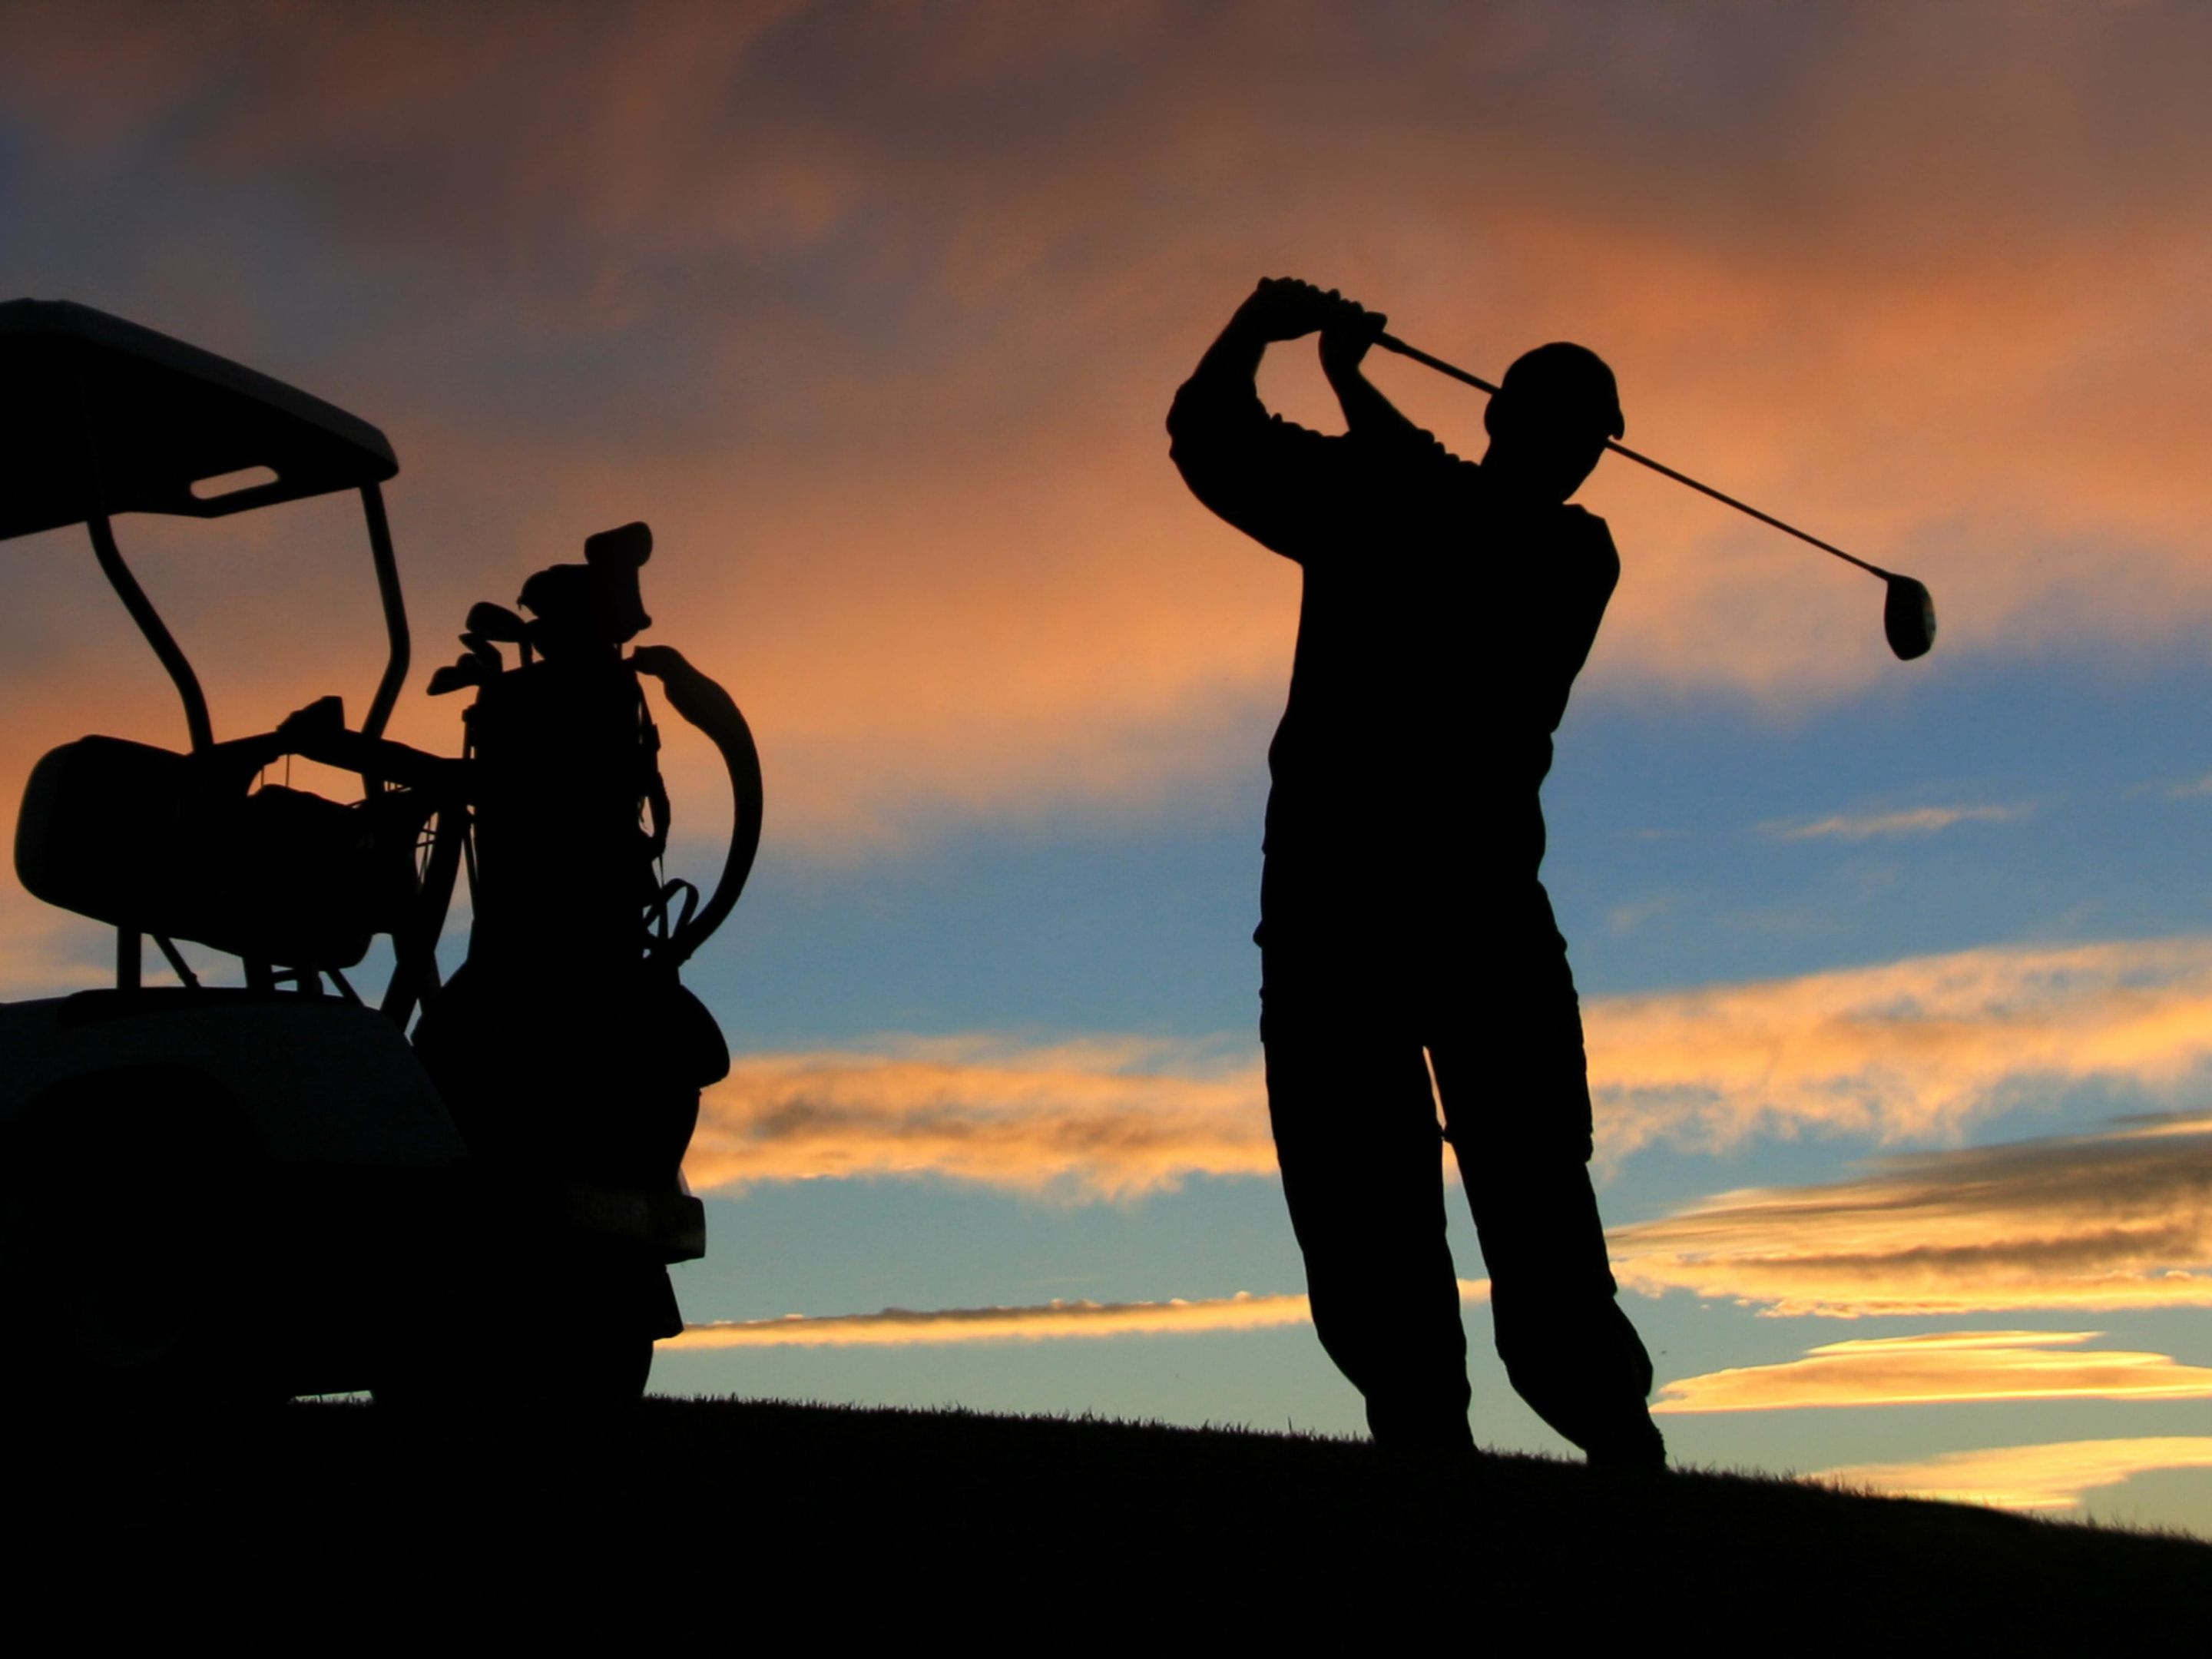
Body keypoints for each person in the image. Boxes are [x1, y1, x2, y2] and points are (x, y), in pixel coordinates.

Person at [1167, 276, 1664, 1467]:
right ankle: (1463, 1437)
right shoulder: (1460, 513)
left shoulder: (1556, 552)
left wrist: (1287, 347)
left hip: (1390, 913)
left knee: (1476, 1185)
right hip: (1434, 916)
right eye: (1580, 436)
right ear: (1525, 429)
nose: (1585, 464)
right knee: (1394, 1187)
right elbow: (1233, 447)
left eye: (1591, 443)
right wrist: (1340, 381)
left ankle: (1534, 1432)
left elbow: (1226, 438)